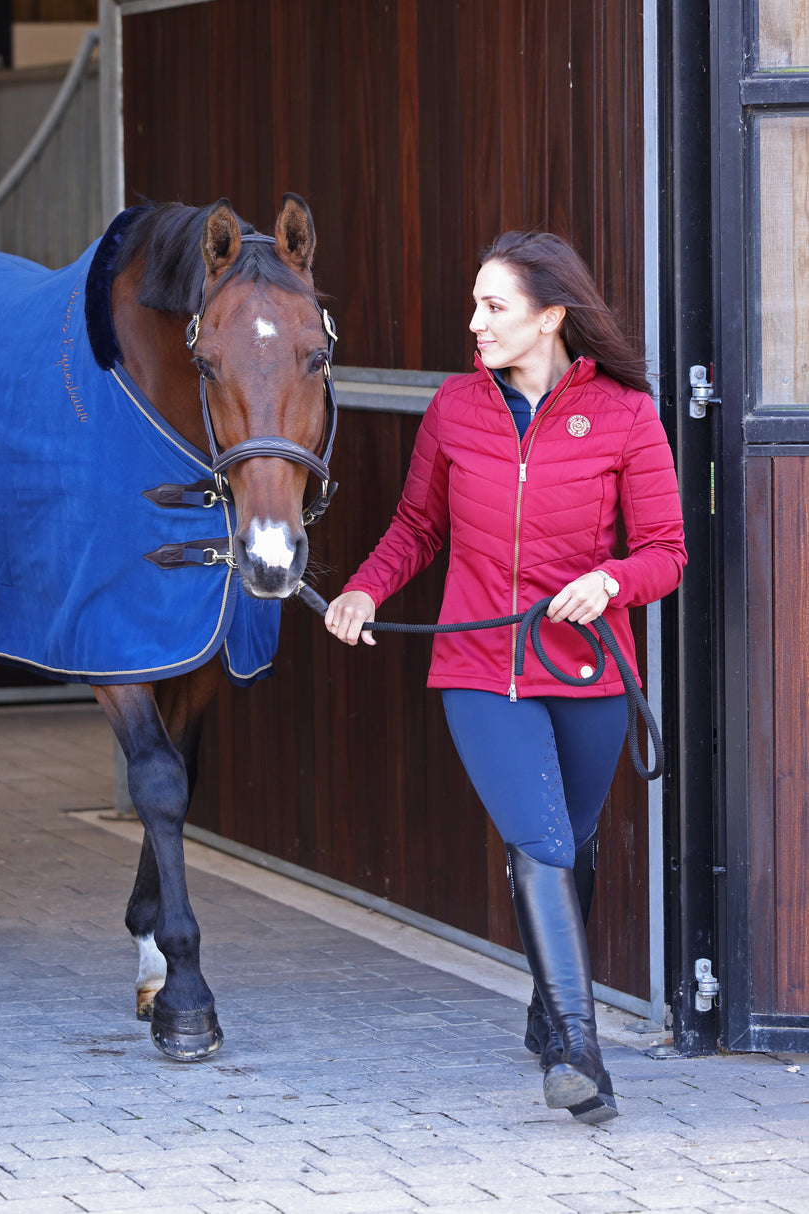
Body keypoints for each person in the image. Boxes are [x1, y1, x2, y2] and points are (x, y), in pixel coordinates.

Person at [324, 230, 686, 1125]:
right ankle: (580, 1050)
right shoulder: (455, 408)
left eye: (496, 305)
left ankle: (545, 1008)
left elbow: (666, 554)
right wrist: (365, 590)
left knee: (573, 840)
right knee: (540, 840)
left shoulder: (627, 416)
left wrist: (608, 581)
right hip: (483, 665)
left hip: (592, 667)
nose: (475, 321)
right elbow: (417, 527)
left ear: (551, 317)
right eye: (476, 302)